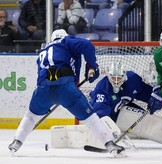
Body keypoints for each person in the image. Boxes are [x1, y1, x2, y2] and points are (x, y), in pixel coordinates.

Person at [8, 29, 125, 157]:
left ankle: (16, 142)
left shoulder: (43, 51)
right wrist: (92, 66)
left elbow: (40, 76)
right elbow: (87, 46)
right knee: (91, 118)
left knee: (30, 116)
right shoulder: (66, 41)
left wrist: (48, 97)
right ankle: (109, 144)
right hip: (66, 88)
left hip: (43, 89)